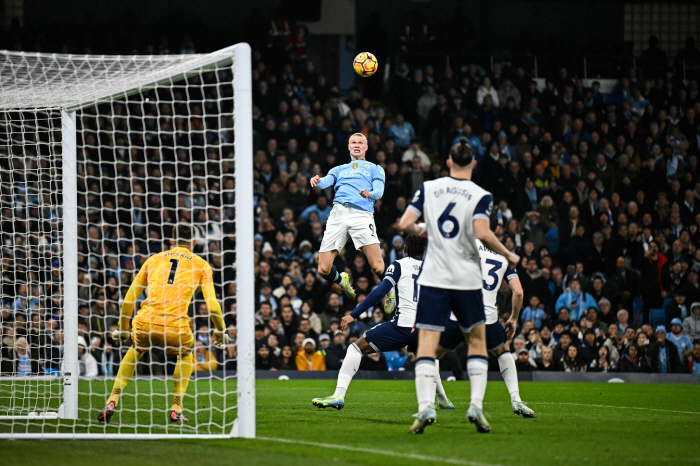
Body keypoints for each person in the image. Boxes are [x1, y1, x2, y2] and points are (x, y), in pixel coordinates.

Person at [398, 138, 519, 434]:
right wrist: (507, 253)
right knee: (477, 342)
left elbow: (404, 224)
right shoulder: (481, 194)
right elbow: (482, 231)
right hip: (466, 279)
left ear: (449, 163)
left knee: (427, 345)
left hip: (435, 277)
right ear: (474, 164)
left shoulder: (430, 188)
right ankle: (475, 405)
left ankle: (426, 406)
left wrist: (424, 229)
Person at [97, 225, 228, 424]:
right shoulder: (201, 264)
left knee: (136, 348)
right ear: (193, 243)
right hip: (176, 327)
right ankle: (176, 408)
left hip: (145, 322)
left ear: (171, 242)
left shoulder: (153, 259)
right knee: (186, 354)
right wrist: (221, 330)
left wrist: (123, 329)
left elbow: (128, 300)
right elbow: (212, 307)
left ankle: (112, 399)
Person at [312, 236, 456, 409]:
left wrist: (354, 314)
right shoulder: (434, 270)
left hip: (402, 326)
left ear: (405, 249)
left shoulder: (399, 265)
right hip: (425, 327)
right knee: (430, 358)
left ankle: (338, 396)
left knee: (356, 348)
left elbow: (381, 291)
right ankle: (443, 401)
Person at [309, 133, 389, 306]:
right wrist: (317, 180)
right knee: (323, 269)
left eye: (361, 142)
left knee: (378, 267)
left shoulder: (375, 168)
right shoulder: (339, 169)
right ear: (348, 146)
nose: (357, 145)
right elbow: (325, 182)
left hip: (361, 214)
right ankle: (342, 280)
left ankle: (390, 290)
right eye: (353, 142)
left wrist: (370, 194)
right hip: (338, 213)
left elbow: (379, 191)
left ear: (366, 147)